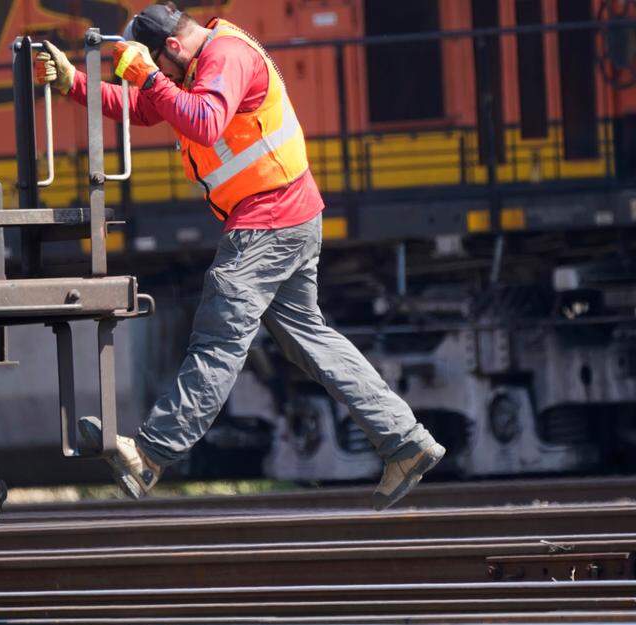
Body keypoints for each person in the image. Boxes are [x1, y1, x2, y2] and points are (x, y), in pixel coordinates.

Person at [35, 2, 444, 510]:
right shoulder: (195, 66)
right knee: (309, 339)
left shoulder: (225, 57)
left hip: (269, 219)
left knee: (220, 336)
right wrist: (73, 82)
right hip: (288, 215)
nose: (159, 76)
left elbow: (204, 123)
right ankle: (406, 441)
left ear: (174, 47)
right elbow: (146, 108)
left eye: (158, 64)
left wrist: (147, 75)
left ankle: (150, 455)